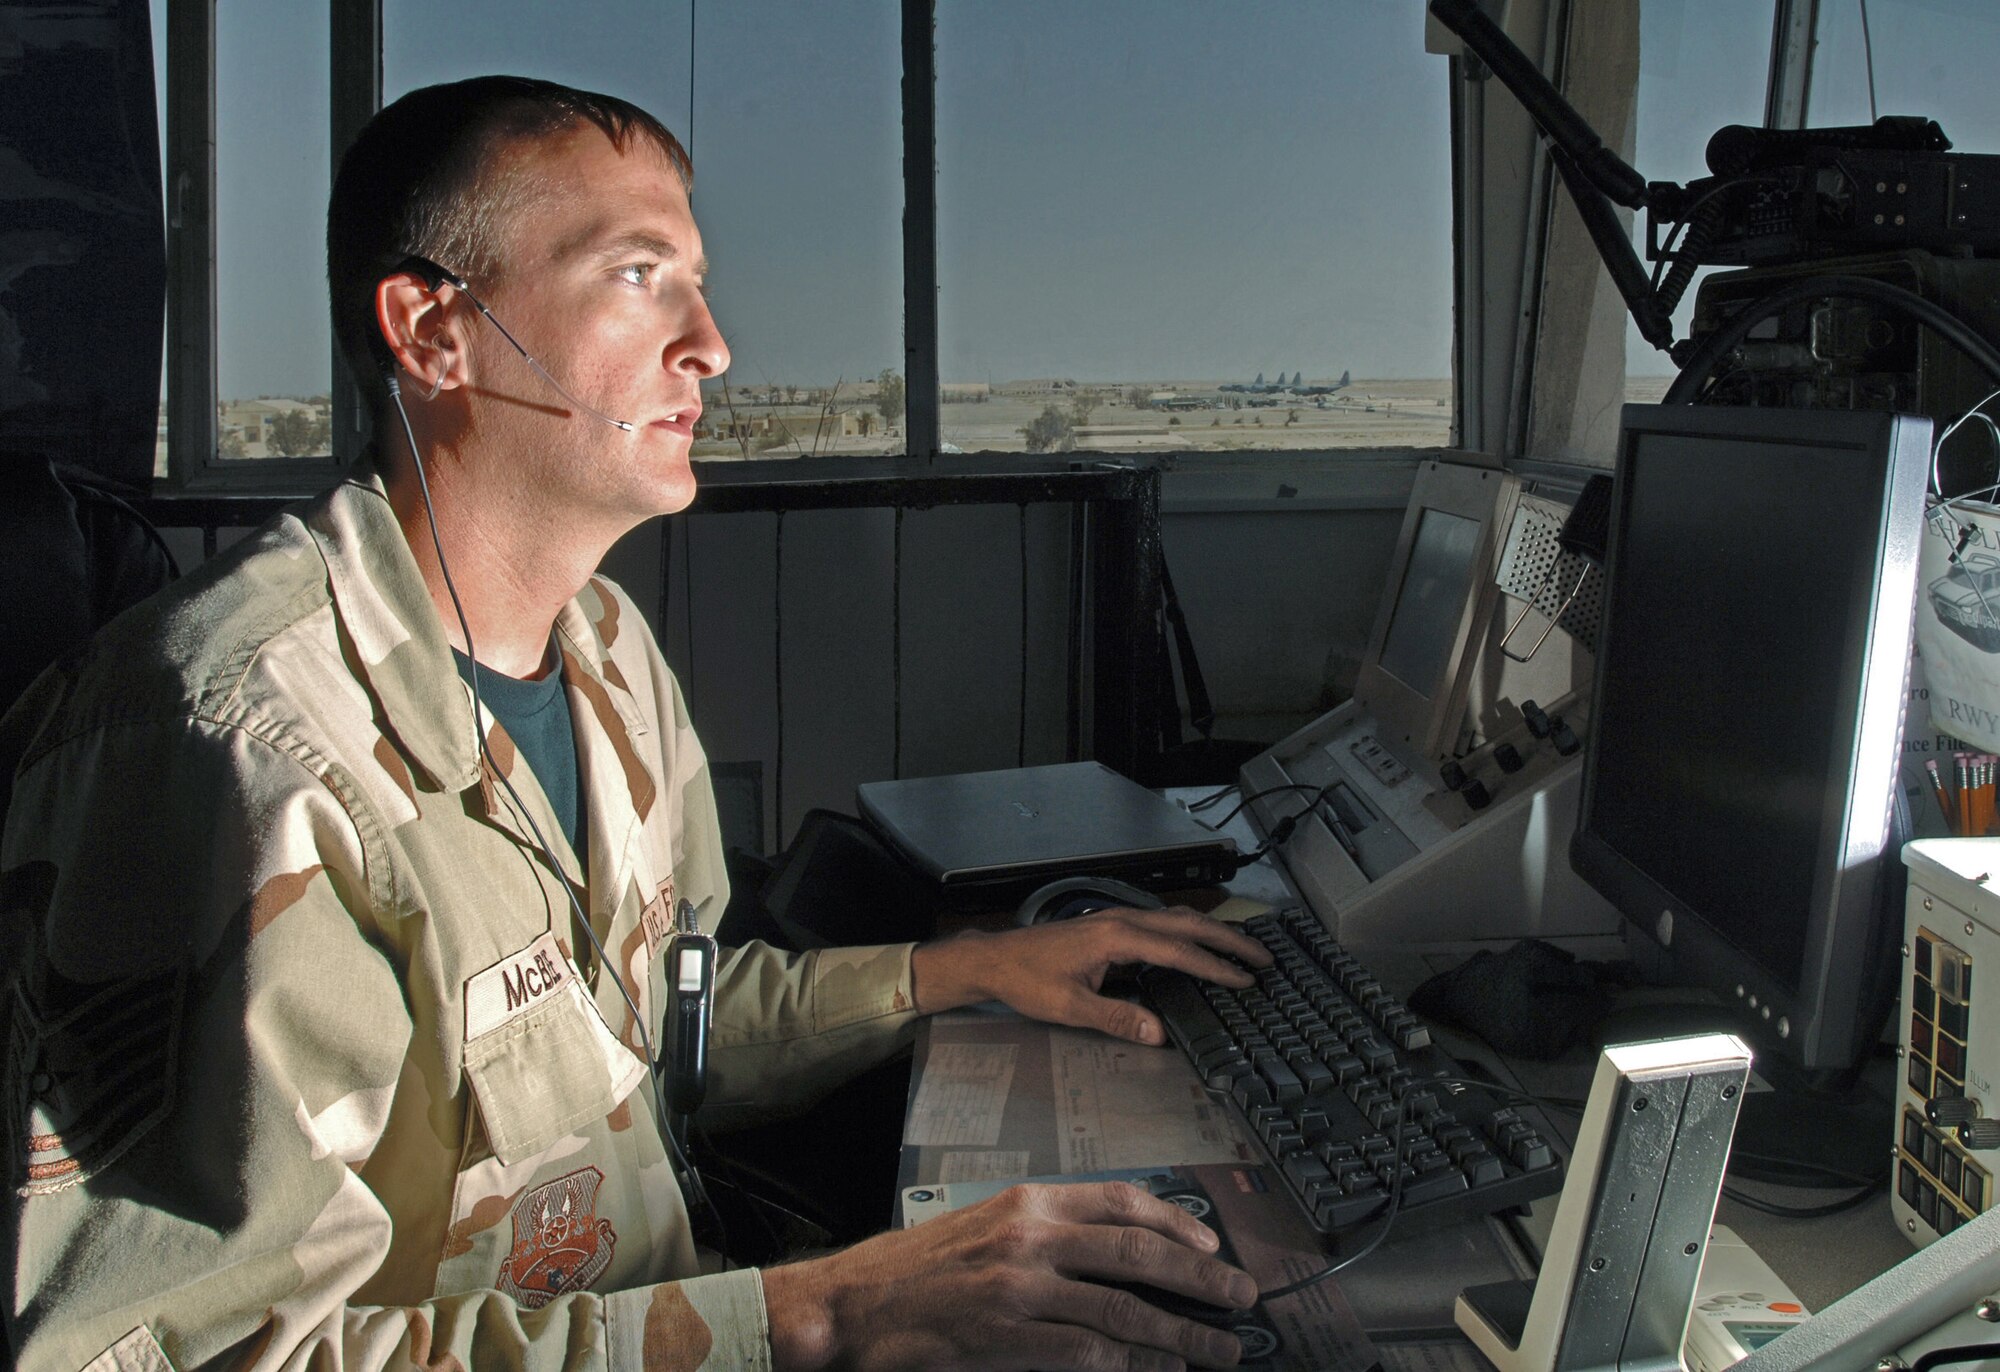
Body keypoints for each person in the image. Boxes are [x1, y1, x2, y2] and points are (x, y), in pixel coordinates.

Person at [2, 76, 1275, 1372]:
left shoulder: (603, 648)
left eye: (698, 282)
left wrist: (959, 975)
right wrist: (825, 1316)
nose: (713, 345)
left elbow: (657, 1017)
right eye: (636, 276)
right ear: (433, 333)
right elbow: (193, 1354)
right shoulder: (231, 750)